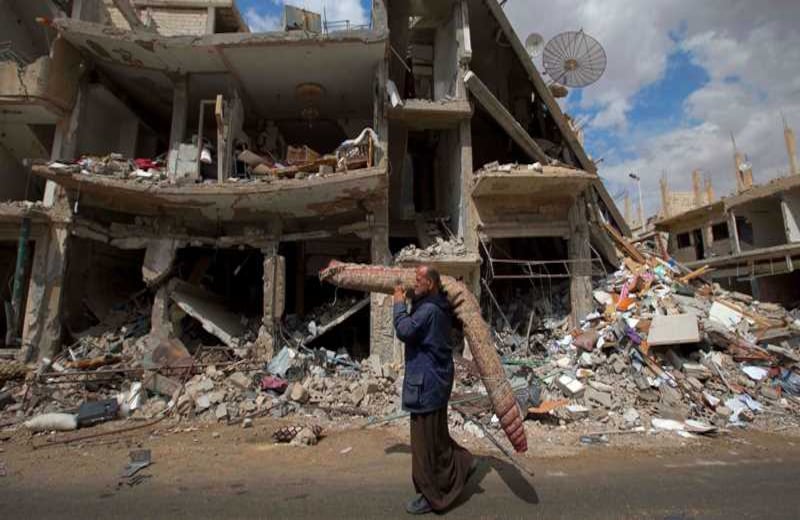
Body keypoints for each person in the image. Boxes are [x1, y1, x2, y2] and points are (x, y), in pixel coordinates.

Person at [393, 266, 476, 515]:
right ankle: (462, 462)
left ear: (430, 284)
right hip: (437, 380)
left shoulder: (429, 310)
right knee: (438, 437)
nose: (414, 283)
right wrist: (408, 298)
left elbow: (405, 330)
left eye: (419, 280)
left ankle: (432, 497)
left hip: (426, 384)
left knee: (423, 446)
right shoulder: (436, 306)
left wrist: (398, 304)